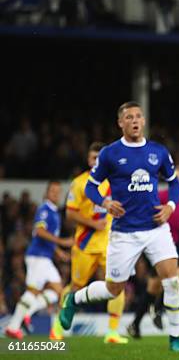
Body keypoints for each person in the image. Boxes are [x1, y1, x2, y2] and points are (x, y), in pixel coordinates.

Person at [58, 102, 179, 352]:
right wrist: (105, 202)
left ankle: (175, 338)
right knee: (112, 289)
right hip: (124, 232)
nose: (135, 120)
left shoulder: (158, 152)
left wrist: (171, 206)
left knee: (172, 281)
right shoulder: (109, 153)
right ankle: (73, 299)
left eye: (138, 116)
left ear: (143, 121)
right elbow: (90, 187)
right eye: (129, 117)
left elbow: (173, 183)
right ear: (121, 123)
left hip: (155, 228)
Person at [50, 142, 128, 344]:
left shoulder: (114, 181)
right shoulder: (79, 183)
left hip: (111, 244)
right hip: (85, 244)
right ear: (88, 160)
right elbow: (70, 213)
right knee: (76, 285)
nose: (96, 162)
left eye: (100, 158)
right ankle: (57, 328)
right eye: (93, 158)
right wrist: (92, 223)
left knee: (117, 285)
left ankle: (112, 333)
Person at [127, 165, 179, 339]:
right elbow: (144, 211)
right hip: (154, 245)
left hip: (172, 247)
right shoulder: (162, 196)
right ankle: (158, 309)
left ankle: (136, 324)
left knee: (154, 286)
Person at [4, 181, 73, 339]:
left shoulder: (54, 212)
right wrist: (62, 242)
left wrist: (59, 252)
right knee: (33, 292)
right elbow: (40, 231)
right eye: (53, 191)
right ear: (46, 193)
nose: (56, 194)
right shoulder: (44, 210)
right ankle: (13, 326)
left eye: (58, 191)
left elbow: (47, 238)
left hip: (45, 258)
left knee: (57, 292)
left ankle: (26, 313)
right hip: (38, 257)